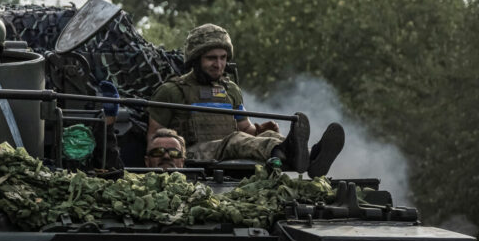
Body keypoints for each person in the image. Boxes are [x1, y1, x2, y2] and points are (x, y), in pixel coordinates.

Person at [146, 24, 344, 177]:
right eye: (211, 58)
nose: (219, 64)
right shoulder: (172, 91)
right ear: (195, 59)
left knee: (267, 135)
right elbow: (154, 139)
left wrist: (260, 131)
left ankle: (311, 155)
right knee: (234, 140)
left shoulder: (230, 89)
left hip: (226, 149)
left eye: (223, 58)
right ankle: (285, 151)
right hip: (190, 154)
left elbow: (245, 130)